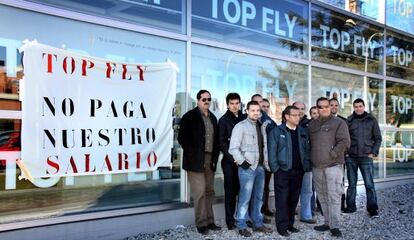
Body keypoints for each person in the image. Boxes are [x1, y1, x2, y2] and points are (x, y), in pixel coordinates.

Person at [178, 89, 221, 235]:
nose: (207, 101)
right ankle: (201, 223)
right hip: (195, 160)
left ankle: (210, 221)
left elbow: (216, 142)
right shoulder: (189, 117)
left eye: (209, 99)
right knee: (200, 191)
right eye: (204, 99)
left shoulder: (213, 118)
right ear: (198, 101)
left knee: (209, 191)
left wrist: (214, 159)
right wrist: (192, 154)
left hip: (210, 160)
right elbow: (182, 138)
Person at [229, 100, 273, 237]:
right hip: (247, 168)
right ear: (247, 111)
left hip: (260, 167)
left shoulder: (261, 126)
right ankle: (241, 225)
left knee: (259, 197)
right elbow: (233, 148)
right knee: (245, 198)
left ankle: (257, 223)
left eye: (257, 110)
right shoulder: (240, 126)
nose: (255, 113)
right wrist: (243, 163)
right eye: (252, 110)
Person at [309, 97, 350, 238]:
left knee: (334, 196)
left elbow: (345, 141)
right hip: (317, 167)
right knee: (322, 196)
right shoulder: (312, 125)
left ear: (330, 107)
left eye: (326, 106)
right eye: (320, 107)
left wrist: (332, 153)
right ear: (317, 108)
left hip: (333, 166)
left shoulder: (339, 123)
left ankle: (335, 226)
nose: (324, 109)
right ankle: (327, 222)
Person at [268, 105, 311, 237]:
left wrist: (306, 166)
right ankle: (281, 227)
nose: (298, 117)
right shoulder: (277, 131)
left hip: (298, 171)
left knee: (293, 199)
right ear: (287, 116)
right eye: (295, 115)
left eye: (299, 115)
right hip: (283, 171)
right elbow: (271, 152)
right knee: (282, 200)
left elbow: (307, 150)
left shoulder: (302, 131)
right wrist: (276, 169)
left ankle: (290, 225)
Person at [344, 98, 382, 218]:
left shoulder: (371, 120)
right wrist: (346, 152)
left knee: (369, 184)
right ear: (353, 107)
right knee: (351, 185)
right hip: (351, 157)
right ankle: (350, 207)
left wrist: (373, 152)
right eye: (356, 106)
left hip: (366, 157)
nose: (358, 108)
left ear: (364, 106)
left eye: (360, 106)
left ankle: (372, 209)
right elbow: (344, 138)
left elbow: (378, 138)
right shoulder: (349, 120)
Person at [218, 93, 246, 230]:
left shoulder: (244, 117)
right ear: (228, 105)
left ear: (240, 103)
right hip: (230, 162)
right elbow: (222, 143)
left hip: (244, 161)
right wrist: (234, 158)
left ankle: (242, 218)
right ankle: (230, 220)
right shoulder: (223, 120)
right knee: (230, 191)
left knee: (243, 191)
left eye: (237, 103)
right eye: (232, 103)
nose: (235, 106)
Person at [251, 94, 276, 219]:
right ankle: (252, 214)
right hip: (251, 160)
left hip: (266, 160)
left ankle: (263, 210)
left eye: (262, 102)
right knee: (251, 188)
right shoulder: (247, 120)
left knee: (264, 187)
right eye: (257, 102)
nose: (260, 105)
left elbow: (275, 140)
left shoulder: (269, 121)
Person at [293, 102, 315, 225]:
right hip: (293, 164)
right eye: (297, 108)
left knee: (307, 191)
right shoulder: (287, 123)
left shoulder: (310, 124)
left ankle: (306, 215)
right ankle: (290, 213)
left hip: (306, 164)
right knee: (292, 190)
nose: (300, 111)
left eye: (302, 109)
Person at [329, 97, 347, 212]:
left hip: (339, 156)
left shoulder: (343, 121)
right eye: (332, 105)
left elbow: (346, 139)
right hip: (325, 157)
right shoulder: (322, 120)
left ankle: (341, 205)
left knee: (339, 182)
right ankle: (322, 206)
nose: (334, 107)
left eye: (336, 105)